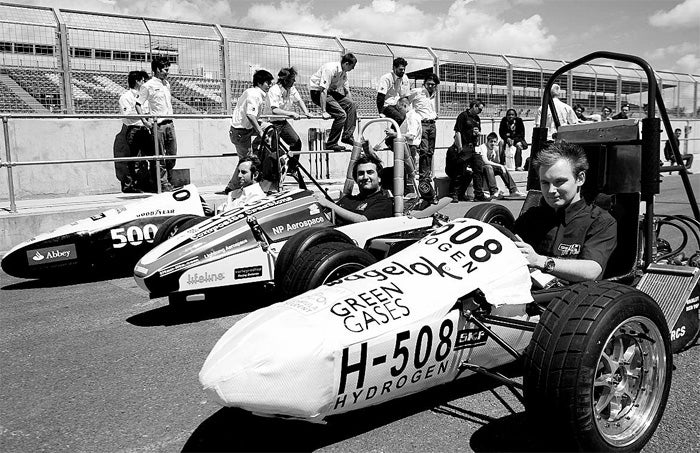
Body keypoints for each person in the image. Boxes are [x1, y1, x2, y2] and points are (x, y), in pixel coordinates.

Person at [513, 142, 618, 282]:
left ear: (580, 178)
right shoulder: (531, 217)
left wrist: (539, 261)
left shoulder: (601, 222)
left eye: (559, 182)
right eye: (545, 183)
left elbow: (592, 270)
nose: (551, 191)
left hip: (573, 297)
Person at [220, 69, 274, 195]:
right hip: (241, 131)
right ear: (260, 83)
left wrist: (262, 130)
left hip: (247, 128)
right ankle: (232, 187)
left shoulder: (259, 94)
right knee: (245, 161)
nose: (270, 85)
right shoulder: (254, 94)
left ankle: (257, 150)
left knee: (270, 128)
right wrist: (260, 132)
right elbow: (250, 115)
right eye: (267, 82)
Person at [313, 155, 393, 225]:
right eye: (361, 173)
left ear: (379, 178)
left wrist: (328, 204)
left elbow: (362, 220)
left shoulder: (383, 202)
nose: (365, 177)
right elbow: (327, 216)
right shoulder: (347, 200)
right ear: (356, 179)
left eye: (370, 172)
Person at [136, 56, 176, 191]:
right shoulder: (147, 86)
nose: (167, 72)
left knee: (172, 154)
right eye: (165, 69)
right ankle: (162, 183)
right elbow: (138, 104)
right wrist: (145, 121)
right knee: (160, 156)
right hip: (158, 125)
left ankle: (166, 180)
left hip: (170, 123)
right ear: (157, 70)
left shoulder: (166, 84)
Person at [267, 67, 311, 185]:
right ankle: (272, 178)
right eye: (292, 79)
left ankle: (292, 167)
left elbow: (299, 100)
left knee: (296, 142)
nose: (294, 81)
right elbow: (275, 110)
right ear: (285, 80)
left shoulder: (291, 89)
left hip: (282, 122)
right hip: (271, 123)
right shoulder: (274, 90)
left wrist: (306, 112)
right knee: (274, 152)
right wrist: (291, 113)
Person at [309, 53, 358, 151]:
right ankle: (331, 143)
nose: (352, 69)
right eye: (352, 67)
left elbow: (347, 91)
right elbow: (323, 90)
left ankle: (347, 136)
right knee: (341, 115)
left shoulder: (344, 74)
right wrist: (323, 111)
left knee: (352, 105)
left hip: (330, 92)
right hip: (318, 93)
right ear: (346, 64)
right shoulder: (330, 69)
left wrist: (353, 111)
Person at [117, 70, 153, 193]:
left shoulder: (144, 98)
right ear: (137, 81)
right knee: (135, 158)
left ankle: (145, 183)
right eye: (143, 80)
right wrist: (143, 116)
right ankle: (130, 185)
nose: (145, 83)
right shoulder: (126, 97)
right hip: (134, 129)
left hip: (145, 129)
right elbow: (127, 115)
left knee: (149, 157)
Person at [447, 99, 490, 202]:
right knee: (459, 171)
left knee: (478, 168)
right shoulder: (463, 116)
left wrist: (477, 133)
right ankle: (455, 194)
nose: (480, 111)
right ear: (474, 106)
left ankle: (478, 194)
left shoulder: (477, 119)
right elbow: (458, 131)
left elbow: (477, 132)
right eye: (479, 109)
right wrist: (460, 146)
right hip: (464, 147)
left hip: (473, 147)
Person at [383, 96, 420, 197]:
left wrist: (394, 134)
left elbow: (411, 136)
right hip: (406, 146)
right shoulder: (408, 117)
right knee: (402, 171)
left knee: (407, 172)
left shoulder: (412, 117)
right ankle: (405, 193)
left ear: (405, 106)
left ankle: (409, 194)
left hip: (409, 147)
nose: (400, 113)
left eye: (400, 109)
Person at [410, 73, 439, 184]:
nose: (431, 86)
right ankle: (423, 177)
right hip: (422, 124)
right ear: (424, 83)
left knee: (430, 151)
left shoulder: (434, 95)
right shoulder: (417, 92)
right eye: (429, 84)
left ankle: (427, 174)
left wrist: (435, 115)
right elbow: (405, 101)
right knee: (424, 150)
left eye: (433, 84)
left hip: (432, 124)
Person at [476, 132, 525, 198]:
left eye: (494, 142)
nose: (493, 143)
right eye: (491, 141)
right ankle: (493, 191)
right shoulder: (483, 147)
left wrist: (497, 152)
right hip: (480, 168)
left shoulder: (494, 149)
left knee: (502, 168)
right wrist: (500, 165)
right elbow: (485, 161)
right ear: (487, 142)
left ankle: (513, 190)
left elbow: (497, 162)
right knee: (489, 167)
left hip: (489, 169)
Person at [377, 57, 411, 132]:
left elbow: (405, 96)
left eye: (404, 69)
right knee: (399, 118)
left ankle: (394, 135)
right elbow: (380, 96)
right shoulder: (386, 78)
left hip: (398, 104)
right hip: (387, 105)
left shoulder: (404, 78)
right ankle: (390, 136)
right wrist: (381, 112)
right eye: (400, 69)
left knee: (409, 118)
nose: (403, 71)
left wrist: (408, 109)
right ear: (394, 68)